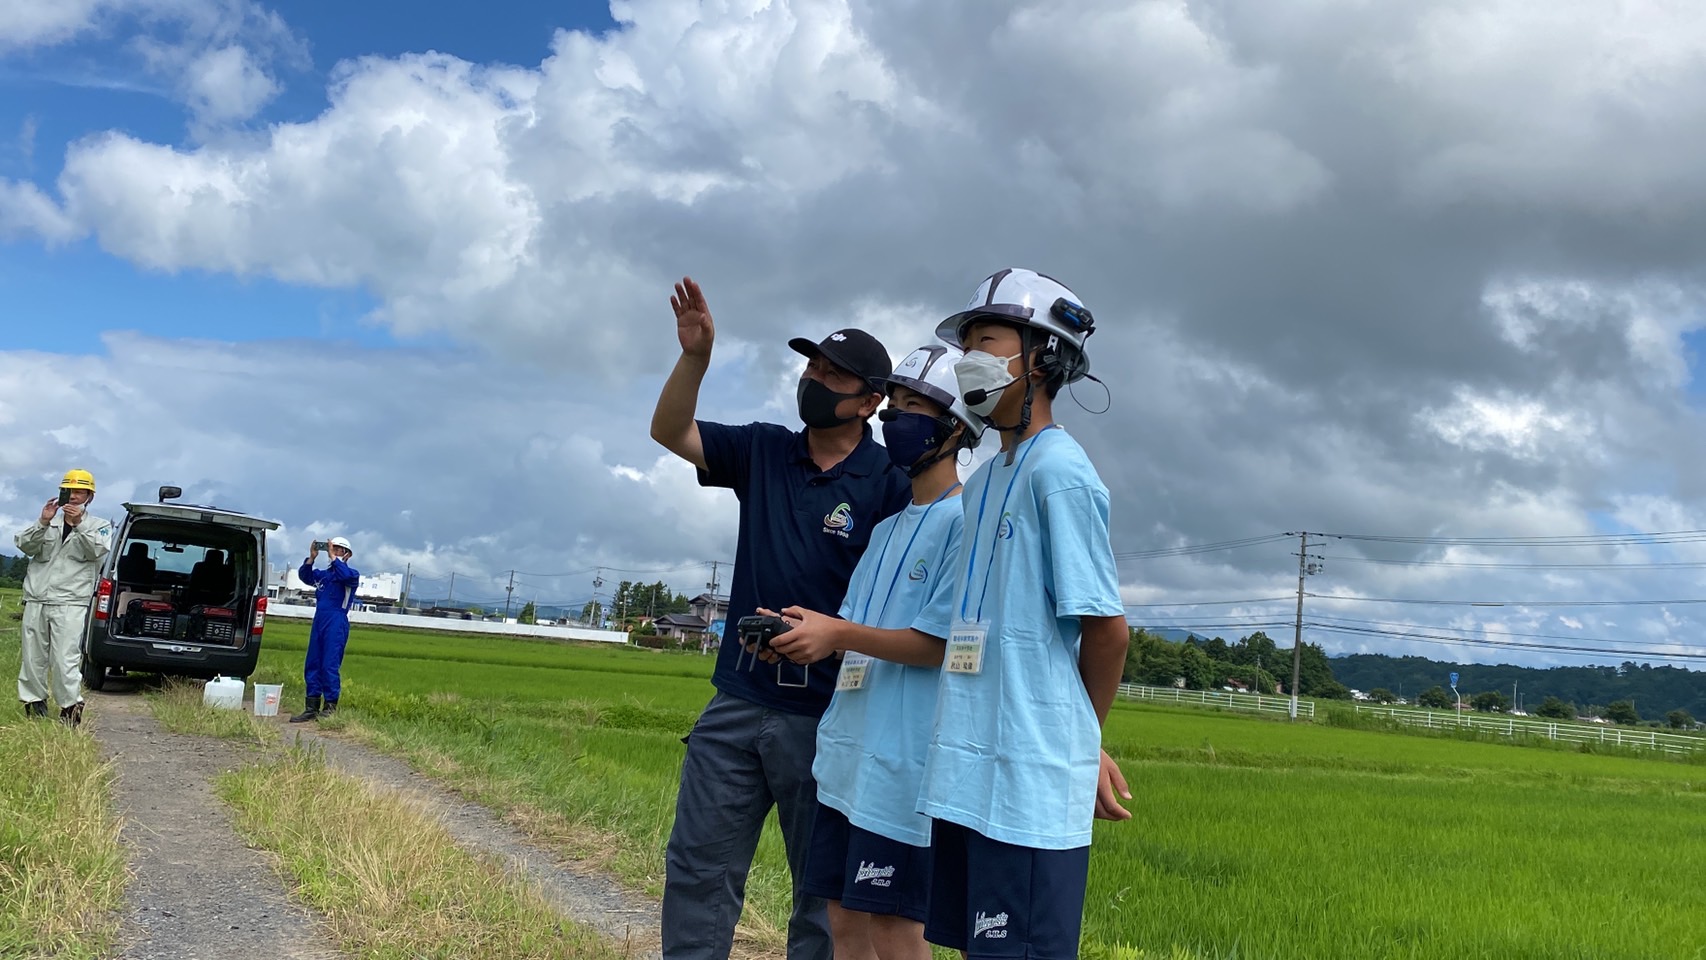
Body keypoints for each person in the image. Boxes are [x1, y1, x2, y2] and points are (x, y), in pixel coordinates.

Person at [650, 277, 911, 960]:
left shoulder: (891, 483)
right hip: (736, 700)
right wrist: (695, 360)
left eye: (835, 374)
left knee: (821, 899)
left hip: (827, 714)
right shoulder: (766, 450)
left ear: (871, 401)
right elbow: (669, 431)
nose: (815, 379)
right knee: (698, 870)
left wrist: (829, 635)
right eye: (813, 366)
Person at [917, 268, 1133, 957]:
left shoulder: (1059, 472)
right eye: (968, 343)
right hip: (969, 772)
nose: (969, 360)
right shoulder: (983, 484)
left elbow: (1107, 629)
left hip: (1030, 787)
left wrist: (1081, 741)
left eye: (986, 340)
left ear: (1042, 357)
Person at [758, 344, 983, 960]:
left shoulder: (966, 523)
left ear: (956, 428)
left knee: (894, 927)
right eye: (896, 407)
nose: (897, 421)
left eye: (918, 409)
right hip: (847, 763)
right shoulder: (888, 527)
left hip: (904, 769)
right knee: (843, 917)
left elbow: (939, 645)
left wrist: (837, 634)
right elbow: (855, 632)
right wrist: (806, 638)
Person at [15, 469, 112, 726]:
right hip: (37, 599)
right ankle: (34, 706)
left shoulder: (99, 526)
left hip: (70, 602)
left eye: (80, 491)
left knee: (64, 658)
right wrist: (42, 522)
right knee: (32, 657)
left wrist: (79, 524)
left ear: (90, 497)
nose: (74, 496)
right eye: (69, 490)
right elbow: (24, 545)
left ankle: (70, 709)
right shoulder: (49, 522)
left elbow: (97, 552)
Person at [290, 536, 360, 723]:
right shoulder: (324, 575)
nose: (334, 551)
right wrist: (311, 558)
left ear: (347, 554)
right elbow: (305, 576)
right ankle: (311, 706)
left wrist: (333, 558)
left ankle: (330, 705)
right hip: (319, 619)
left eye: (338, 549)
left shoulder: (351, 574)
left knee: (329, 663)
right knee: (313, 661)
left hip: (336, 621)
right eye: (332, 548)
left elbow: (344, 575)